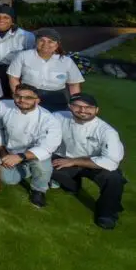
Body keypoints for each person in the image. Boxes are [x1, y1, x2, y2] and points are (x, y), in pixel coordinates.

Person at [51, 94, 126, 230]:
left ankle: (107, 213)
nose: (82, 110)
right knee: (46, 165)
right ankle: (73, 185)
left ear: (96, 110)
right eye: (77, 106)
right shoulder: (58, 117)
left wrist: (74, 161)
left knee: (114, 178)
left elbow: (111, 160)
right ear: (69, 107)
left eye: (88, 107)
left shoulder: (107, 131)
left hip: (95, 163)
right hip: (66, 158)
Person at [0, 84, 62, 208]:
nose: (22, 100)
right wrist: (3, 153)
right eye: (18, 96)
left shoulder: (48, 120)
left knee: (41, 165)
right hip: (9, 151)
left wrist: (20, 156)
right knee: (8, 179)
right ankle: (30, 170)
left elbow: (47, 146)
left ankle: (39, 190)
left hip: (34, 153)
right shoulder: (2, 106)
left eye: (28, 98)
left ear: (37, 100)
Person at [6, 29, 84, 113]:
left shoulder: (67, 61)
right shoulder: (23, 56)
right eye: (41, 40)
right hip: (29, 97)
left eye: (50, 41)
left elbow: (74, 85)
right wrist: (19, 97)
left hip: (57, 99)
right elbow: (13, 78)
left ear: (57, 44)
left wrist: (75, 103)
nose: (45, 44)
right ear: (36, 42)